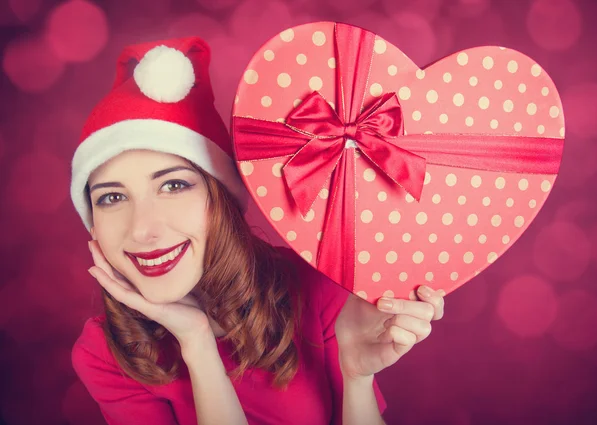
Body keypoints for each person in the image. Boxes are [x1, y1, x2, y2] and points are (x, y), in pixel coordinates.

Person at [69, 36, 446, 425]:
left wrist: (357, 377)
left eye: (174, 185)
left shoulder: (313, 286)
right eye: (112, 198)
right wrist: (197, 342)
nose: (143, 229)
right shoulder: (103, 351)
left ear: (223, 199)